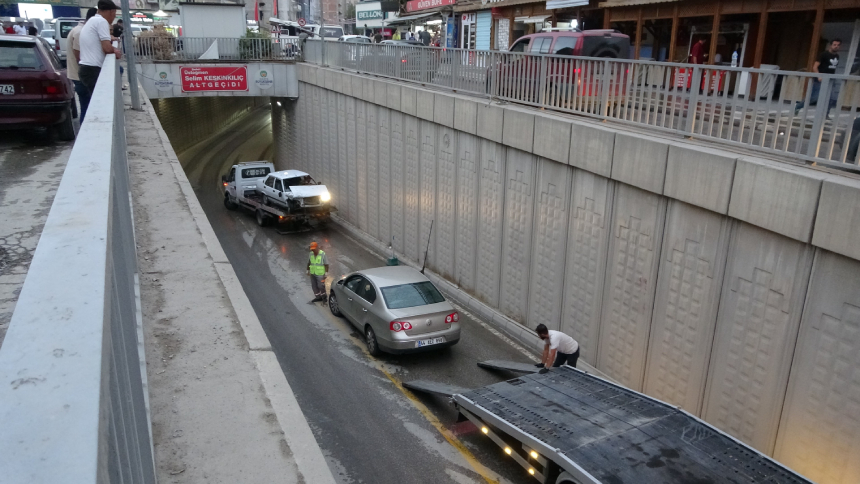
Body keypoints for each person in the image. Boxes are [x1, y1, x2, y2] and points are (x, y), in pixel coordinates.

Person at [78, 0, 122, 100]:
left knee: (95, 101)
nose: (114, 17)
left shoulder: (93, 20)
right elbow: (107, 48)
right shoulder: (102, 21)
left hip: (86, 68)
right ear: (111, 12)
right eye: (115, 14)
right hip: (93, 69)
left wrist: (112, 49)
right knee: (101, 101)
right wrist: (115, 51)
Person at [795, 39, 841, 118]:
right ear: (831, 45)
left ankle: (825, 114)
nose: (836, 46)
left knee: (831, 98)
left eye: (838, 45)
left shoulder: (837, 56)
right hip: (820, 79)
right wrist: (819, 76)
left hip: (830, 79)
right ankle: (798, 107)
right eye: (834, 45)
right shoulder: (824, 54)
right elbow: (815, 67)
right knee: (813, 98)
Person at [67, 8, 97, 123]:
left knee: (86, 106)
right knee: (87, 107)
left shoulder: (80, 30)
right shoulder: (80, 32)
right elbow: (79, 56)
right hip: (81, 77)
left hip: (79, 76)